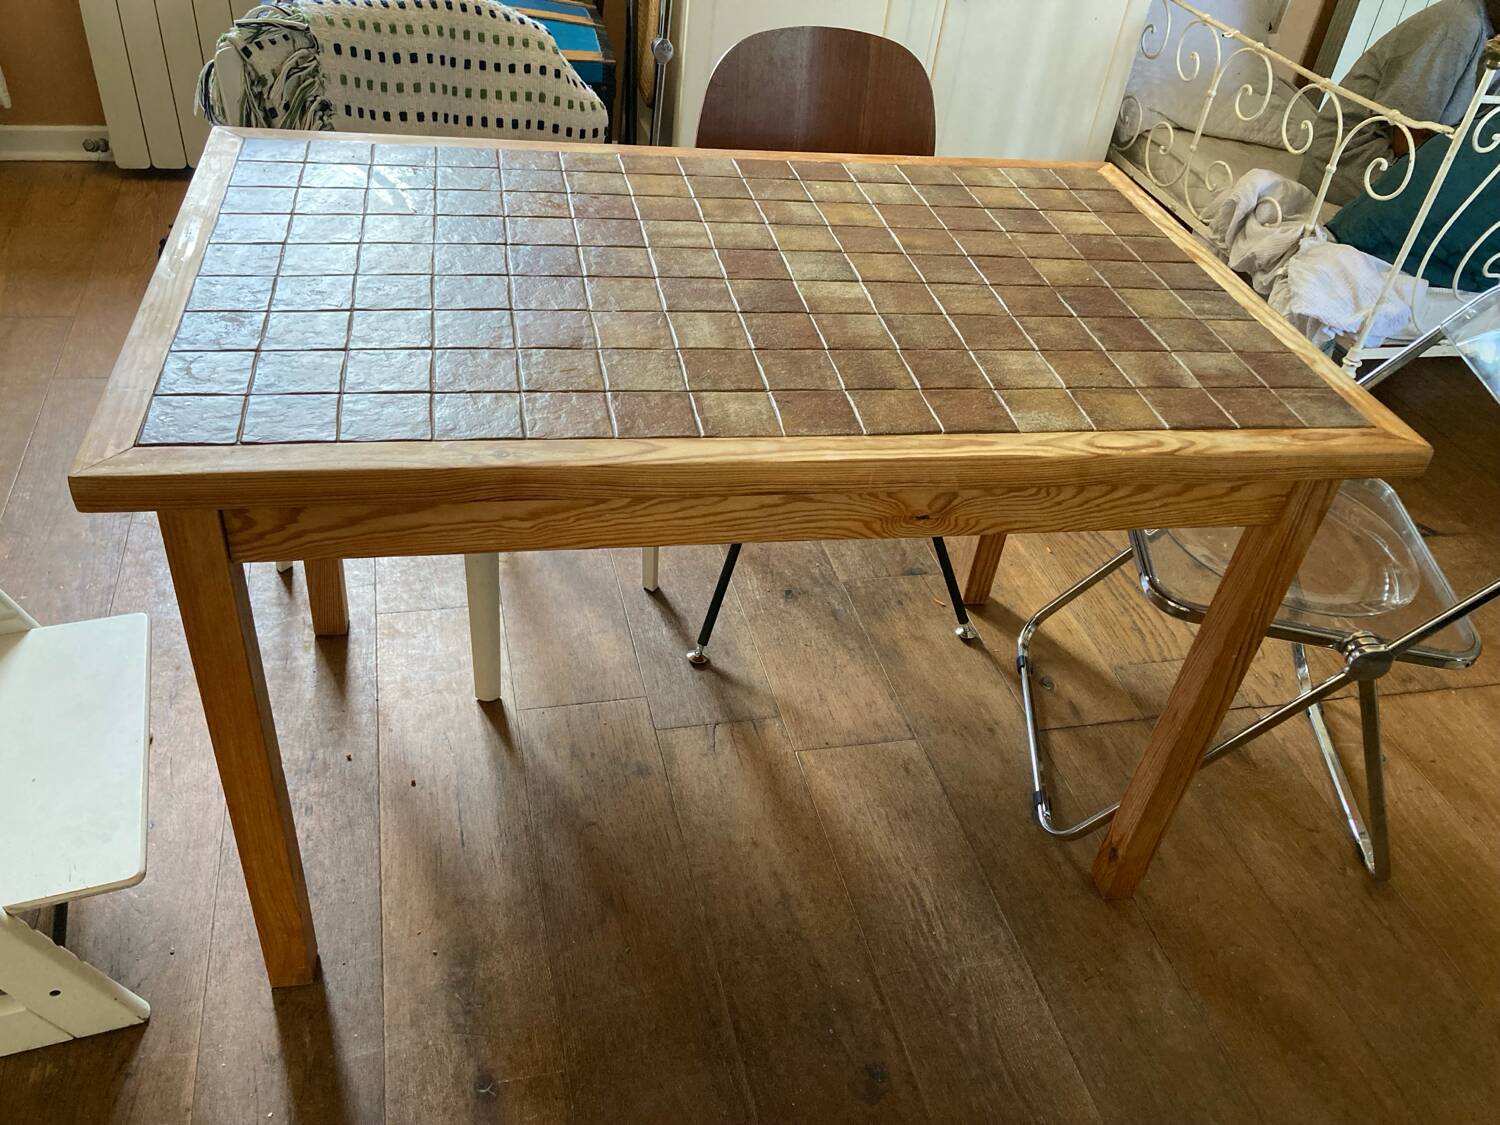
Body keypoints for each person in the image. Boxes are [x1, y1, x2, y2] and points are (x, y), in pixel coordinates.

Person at [1298, 0, 1498, 205]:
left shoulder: (1493, 43)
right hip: (1350, 159)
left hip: (1402, 159)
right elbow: (1405, 142)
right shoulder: (1459, 25)